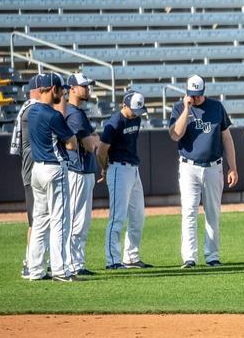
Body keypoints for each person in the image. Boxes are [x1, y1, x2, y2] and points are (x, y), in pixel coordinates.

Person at [169, 75, 238, 268]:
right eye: (192, 94)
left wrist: (233, 167)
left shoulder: (216, 107)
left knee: (213, 212)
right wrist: (187, 109)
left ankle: (212, 256)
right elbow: (175, 135)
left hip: (213, 166)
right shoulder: (179, 108)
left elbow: (227, 138)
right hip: (189, 166)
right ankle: (189, 258)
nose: (196, 98)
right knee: (189, 212)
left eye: (198, 95)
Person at [25, 73, 78, 282]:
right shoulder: (53, 115)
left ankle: (35, 270)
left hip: (37, 169)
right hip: (54, 169)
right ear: (53, 89)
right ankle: (60, 270)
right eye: (61, 89)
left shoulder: (32, 111)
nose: (63, 93)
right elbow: (72, 143)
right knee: (60, 221)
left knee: (39, 221)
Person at [98, 91, 152, 270]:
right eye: (134, 109)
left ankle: (131, 257)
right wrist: (105, 168)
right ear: (124, 105)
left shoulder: (136, 118)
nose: (137, 113)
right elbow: (101, 150)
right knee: (117, 217)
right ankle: (112, 260)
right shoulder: (114, 123)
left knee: (137, 216)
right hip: (118, 168)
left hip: (133, 168)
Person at [64, 74, 100, 276]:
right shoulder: (74, 114)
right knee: (77, 220)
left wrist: (93, 139)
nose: (87, 89)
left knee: (80, 220)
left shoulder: (77, 112)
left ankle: (74, 262)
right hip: (77, 171)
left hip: (83, 170)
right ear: (72, 88)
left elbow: (95, 139)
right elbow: (91, 143)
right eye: (83, 86)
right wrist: (93, 140)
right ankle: (72, 264)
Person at [10, 81, 41, 278]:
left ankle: (34, 262)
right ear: (39, 90)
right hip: (32, 173)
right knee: (35, 222)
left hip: (31, 172)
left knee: (37, 221)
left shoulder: (28, 108)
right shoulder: (33, 110)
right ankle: (29, 263)